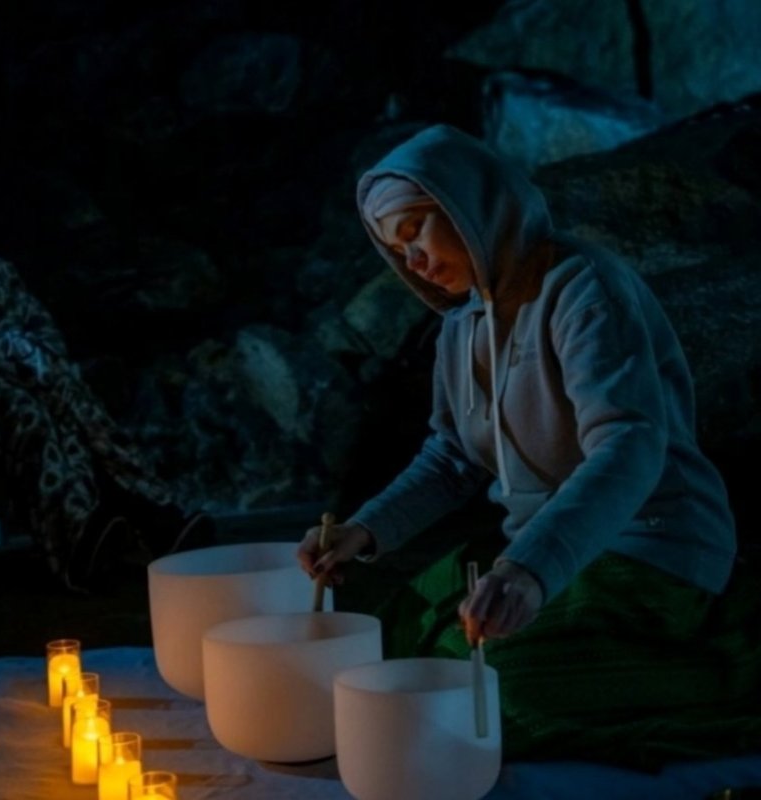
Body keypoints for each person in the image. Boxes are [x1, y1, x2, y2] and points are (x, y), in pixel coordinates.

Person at [297, 123, 761, 767]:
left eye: (416, 232)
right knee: (396, 641)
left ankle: (709, 669)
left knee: (488, 698)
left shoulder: (582, 291)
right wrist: (364, 530)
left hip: (647, 543)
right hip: (539, 553)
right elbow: (451, 457)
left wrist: (530, 570)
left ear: (470, 202)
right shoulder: (463, 327)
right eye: (396, 251)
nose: (414, 261)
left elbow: (627, 445)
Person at [0, 239, 214, 592]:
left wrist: (41, 360)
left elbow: (36, 321)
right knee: (26, 409)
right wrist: (21, 357)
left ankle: (140, 511)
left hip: (20, 367)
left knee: (68, 395)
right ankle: (81, 531)